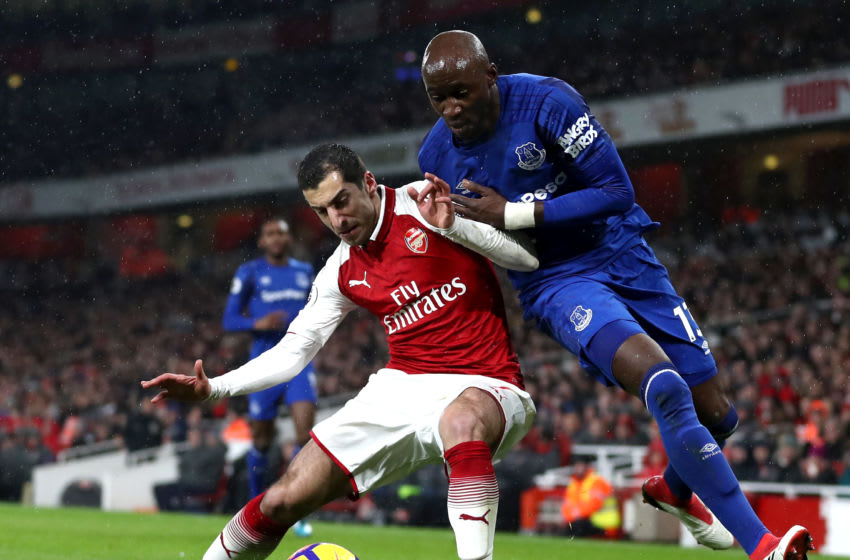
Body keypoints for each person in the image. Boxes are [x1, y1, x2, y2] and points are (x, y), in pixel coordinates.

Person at [417, 30, 813, 560]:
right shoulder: (437, 154)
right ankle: (761, 545)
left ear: (491, 75)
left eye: (460, 92)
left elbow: (615, 192)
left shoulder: (548, 102)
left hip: (622, 250)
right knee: (666, 386)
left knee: (719, 415)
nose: (451, 109)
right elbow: (473, 241)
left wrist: (511, 212)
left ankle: (673, 490)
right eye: (438, 98)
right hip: (554, 280)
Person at [141, 143, 538, 560]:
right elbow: (293, 352)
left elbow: (526, 259)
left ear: (368, 182)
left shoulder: (425, 201)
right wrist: (214, 389)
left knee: (460, 421)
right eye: (321, 211)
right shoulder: (341, 270)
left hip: (488, 382)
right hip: (403, 386)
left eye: (341, 201)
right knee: (283, 498)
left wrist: (457, 226)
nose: (336, 219)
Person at [222, 216, 318, 536]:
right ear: (262, 241)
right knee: (261, 440)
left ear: (289, 239)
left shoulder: (305, 272)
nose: (276, 238)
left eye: (282, 232)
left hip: (301, 362)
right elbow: (230, 319)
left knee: (305, 435)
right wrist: (257, 324)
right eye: (270, 234)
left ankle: (296, 510)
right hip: (264, 363)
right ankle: (254, 509)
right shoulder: (250, 272)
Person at [560, 458, 621, 538]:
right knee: (571, 527)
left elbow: (594, 505)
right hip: (587, 521)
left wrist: (576, 513)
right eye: (577, 466)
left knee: (576, 528)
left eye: (581, 466)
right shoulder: (573, 484)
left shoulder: (597, 481)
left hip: (604, 523)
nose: (578, 469)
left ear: (587, 467)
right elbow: (567, 505)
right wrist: (572, 516)